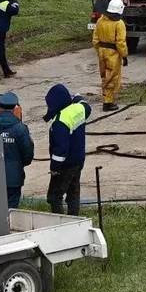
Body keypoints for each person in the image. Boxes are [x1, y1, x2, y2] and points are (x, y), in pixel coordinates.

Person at [42, 83, 92, 215]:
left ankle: (60, 224)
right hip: (78, 161)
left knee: (54, 197)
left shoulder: (60, 122)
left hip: (65, 165)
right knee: (73, 193)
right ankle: (74, 220)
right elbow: (86, 106)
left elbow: (60, 149)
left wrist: (54, 168)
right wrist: (77, 98)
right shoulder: (78, 109)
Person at [0, 91, 35, 210]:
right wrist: (19, 164)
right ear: (15, 107)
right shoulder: (21, 129)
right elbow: (28, 154)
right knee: (11, 211)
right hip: (13, 178)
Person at [93, 0, 128, 111]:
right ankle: (108, 102)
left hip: (102, 51)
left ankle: (106, 99)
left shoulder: (100, 21)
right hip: (113, 53)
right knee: (112, 77)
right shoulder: (119, 23)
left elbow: (95, 39)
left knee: (104, 76)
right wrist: (124, 55)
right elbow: (120, 42)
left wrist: (99, 50)